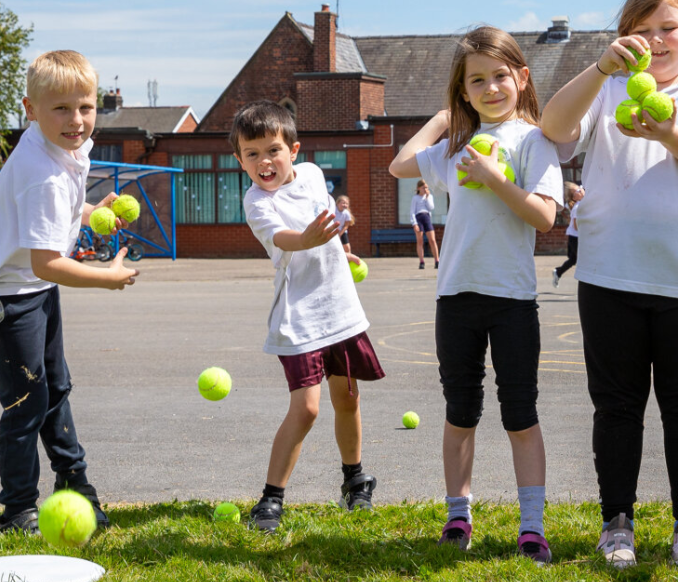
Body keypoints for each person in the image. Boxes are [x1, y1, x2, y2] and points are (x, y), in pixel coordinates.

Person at [540, 0, 678, 568]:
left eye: (668, 28)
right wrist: (600, 67)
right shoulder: (607, 87)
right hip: (609, 275)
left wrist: (670, 134)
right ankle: (617, 524)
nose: (656, 40)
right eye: (641, 30)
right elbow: (553, 129)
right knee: (616, 408)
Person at [387, 25, 563, 564]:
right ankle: (458, 516)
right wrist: (444, 119)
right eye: (476, 81)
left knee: (520, 413)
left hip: (511, 298)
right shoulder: (454, 147)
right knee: (460, 411)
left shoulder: (535, 140)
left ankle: (531, 527)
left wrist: (494, 177)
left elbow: (544, 217)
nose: (491, 88)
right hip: (457, 296)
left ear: (522, 78)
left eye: (500, 76)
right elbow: (399, 165)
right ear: (463, 91)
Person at [0, 50, 134, 534]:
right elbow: (48, 262)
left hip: (33, 285)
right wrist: (108, 278)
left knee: (55, 389)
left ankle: (75, 484)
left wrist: (89, 211)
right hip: (7, 293)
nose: (76, 120)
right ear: (30, 110)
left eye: (85, 106)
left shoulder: (60, 146)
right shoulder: (41, 173)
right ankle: (18, 510)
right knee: (27, 401)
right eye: (60, 108)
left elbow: (58, 207)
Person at [235, 100, 384, 534]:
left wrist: (339, 248)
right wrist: (308, 239)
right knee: (307, 409)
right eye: (252, 154)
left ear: (294, 150)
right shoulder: (256, 201)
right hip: (299, 316)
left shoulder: (315, 174)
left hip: (339, 307)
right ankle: (270, 499)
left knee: (348, 397)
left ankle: (355, 482)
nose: (264, 162)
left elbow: (328, 222)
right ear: (240, 161)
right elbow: (282, 238)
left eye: (273, 150)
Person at [552, 181, 585, 287]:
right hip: (575, 238)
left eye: (580, 188)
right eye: (578, 190)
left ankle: (558, 272)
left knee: (573, 260)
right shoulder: (578, 207)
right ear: (574, 197)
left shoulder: (581, 205)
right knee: (582, 260)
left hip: (573, 236)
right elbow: (576, 226)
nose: (581, 190)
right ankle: (585, 283)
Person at [412, 180, 441, 269]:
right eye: (423, 188)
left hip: (427, 217)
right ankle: (421, 261)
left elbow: (431, 207)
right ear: (418, 188)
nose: (425, 189)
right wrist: (414, 223)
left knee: (432, 240)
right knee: (420, 241)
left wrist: (427, 197)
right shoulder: (415, 198)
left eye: (427, 188)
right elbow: (412, 212)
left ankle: (437, 261)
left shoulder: (429, 197)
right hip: (418, 218)